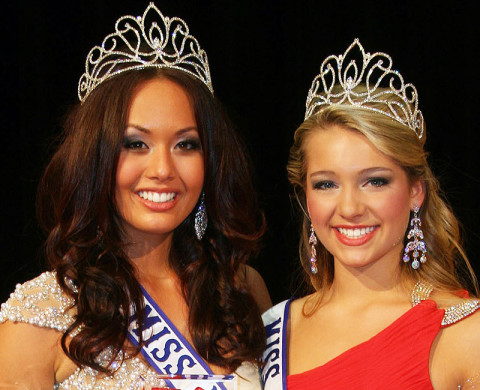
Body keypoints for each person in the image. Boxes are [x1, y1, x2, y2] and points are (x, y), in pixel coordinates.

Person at [0, 4, 271, 389]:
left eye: (186, 144)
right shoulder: (37, 318)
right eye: (135, 143)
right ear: (95, 157)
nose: (162, 169)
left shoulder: (239, 289)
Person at [262, 39, 480, 389]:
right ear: (305, 198)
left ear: (415, 192)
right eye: (326, 184)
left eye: (374, 181)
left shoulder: (465, 331)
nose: (349, 208)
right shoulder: (272, 332)